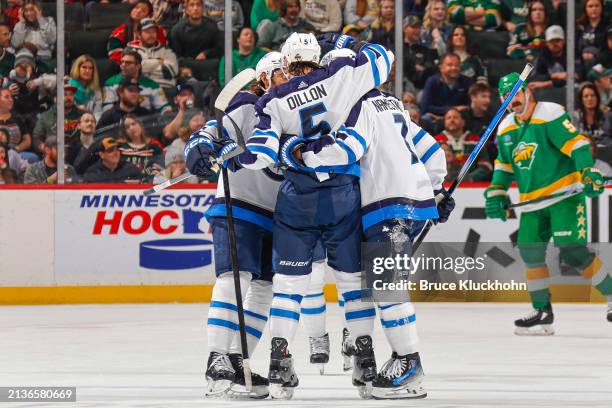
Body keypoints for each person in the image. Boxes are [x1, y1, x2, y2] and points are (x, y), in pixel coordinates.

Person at [226, 33, 394, 400]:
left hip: (296, 199)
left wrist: (233, 153)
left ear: (285, 65)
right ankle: (365, 358)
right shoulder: (342, 72)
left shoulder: (272, 99)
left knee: (289, 285)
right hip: (342, 196)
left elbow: (261, 153)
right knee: (352, 281)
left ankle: (279, 361)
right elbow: (384, 57)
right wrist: (348, 40)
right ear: (317, 58)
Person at [281, 47, 452, 400]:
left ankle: (410, 366)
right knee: (385, 286)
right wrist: (434, 191)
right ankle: (403, 359)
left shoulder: (355, 106)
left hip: (386, 205)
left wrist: (301, 153)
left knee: (388, 289)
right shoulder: (392, 103)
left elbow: (347, 149)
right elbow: (433, 151)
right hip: (410, 203)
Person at [184, 52, 287, 399]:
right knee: (235, 278)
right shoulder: (246, 106)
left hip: (278, 216)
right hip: (239, 206)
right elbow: (206, 135)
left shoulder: (299, 113)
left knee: (265, 291)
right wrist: (199, 149)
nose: (287, 78)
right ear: (263, 80)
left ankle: (236, 360)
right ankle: (216, 357)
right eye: (279, 73)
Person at [485, 72, 612, 334]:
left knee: (572, 250)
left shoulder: (550, 114)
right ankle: (542, 311)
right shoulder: (506, 127)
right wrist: (497, 190)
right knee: (530, 253)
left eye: (515, 94)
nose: (512, 100)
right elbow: (504, 164)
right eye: (506, 96)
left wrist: (587, 172)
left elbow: (577, 145)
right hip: (532, 203)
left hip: (564, 196)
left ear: (527, 92)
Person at [102, 50, 171, 114]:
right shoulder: (110, 83)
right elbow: (107, 108)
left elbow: (165, 108)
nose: (123, 65)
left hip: (145, 121)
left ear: (138, 66)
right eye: (122, 62)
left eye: (128, 63)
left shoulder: (153, 85)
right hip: (119, 121)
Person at [435, 108, 491, 181]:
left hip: (471, 186)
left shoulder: (475, 141)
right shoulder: (435, 141)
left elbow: (486, 165)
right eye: (448, 118)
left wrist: (471, 178)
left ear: (463, 122)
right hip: (444, 184)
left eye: (455, 117)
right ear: (444, 122)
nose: (452, 120)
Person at [420, 53, 473, 129]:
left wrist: (454, 114)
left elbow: (468, 107)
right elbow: (425, 107)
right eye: (450, 65)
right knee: (425, 118)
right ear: (441, 67)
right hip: (436, 118)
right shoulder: (432, 81)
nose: (454, 68)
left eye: (457, 65)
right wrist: (452, 110)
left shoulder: (467, 82)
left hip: (458, 119)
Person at [107, 0, 168, 65]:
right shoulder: (120, 31)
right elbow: (114, 53)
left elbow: (162, 50)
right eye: (136, 8)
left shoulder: (157, 31)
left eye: (143, 11)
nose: (138, 11)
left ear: (149, 16)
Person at [125, 18, 178, 88]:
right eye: (147, 32)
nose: (151, 35)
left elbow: (171, 71)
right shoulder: (130, 50)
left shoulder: (166, 50)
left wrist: (144, 66)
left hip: (165, 88)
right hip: (140, 89)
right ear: (139, 34)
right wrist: (158, 61)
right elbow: (131, 70)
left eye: (153, 32)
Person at [32, 84, 84, 153]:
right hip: (54, 153)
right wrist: (47, 150)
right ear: (55, 99)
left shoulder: (82, 115)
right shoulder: (45, 116)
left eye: (71, 94)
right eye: (65, 94)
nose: (69, 97)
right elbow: (36, 138)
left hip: (76, 152)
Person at [529, 25, 571, 90]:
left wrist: (547, 83)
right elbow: (535, 77)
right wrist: (554, 75)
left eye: (558, 40)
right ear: (547, 43)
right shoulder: (542, 55)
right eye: (551, 41)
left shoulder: (571, 54)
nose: (555, 44)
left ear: (564, 41)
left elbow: (576, 76)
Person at [402, 15, 438, 90]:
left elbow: (430, 69)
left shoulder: (425, 50)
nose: (417, 30)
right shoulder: (397, 48)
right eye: (414, 27)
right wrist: (414, 67)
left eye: (419, 27)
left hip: (420, 88)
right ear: (405, 28)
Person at [0, 87, 34, 162]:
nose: (11, 100)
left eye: (11, 97)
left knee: (32, 157)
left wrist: (17, 149)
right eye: (6, 97)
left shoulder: (18, 119)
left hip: (16, 153)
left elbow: (27, 140)